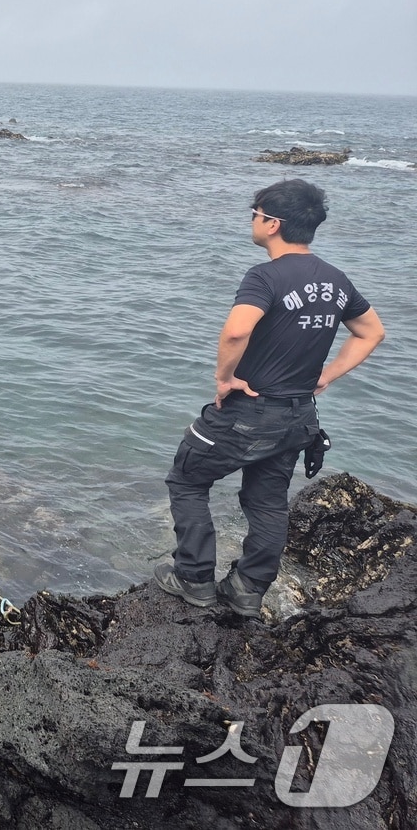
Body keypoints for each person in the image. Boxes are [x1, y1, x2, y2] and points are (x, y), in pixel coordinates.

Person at [155, 179, 384, 618]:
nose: (252, 220)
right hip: (299, 418)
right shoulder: (336, 280)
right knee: (266, 500)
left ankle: (194, 578)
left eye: (255, 213)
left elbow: (238, 329)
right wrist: (327, 374)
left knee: (187, 480)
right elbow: (371, 332)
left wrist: (225, 379)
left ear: (273, 223)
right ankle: (247, 588)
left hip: (248, 413)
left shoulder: (265, 276)